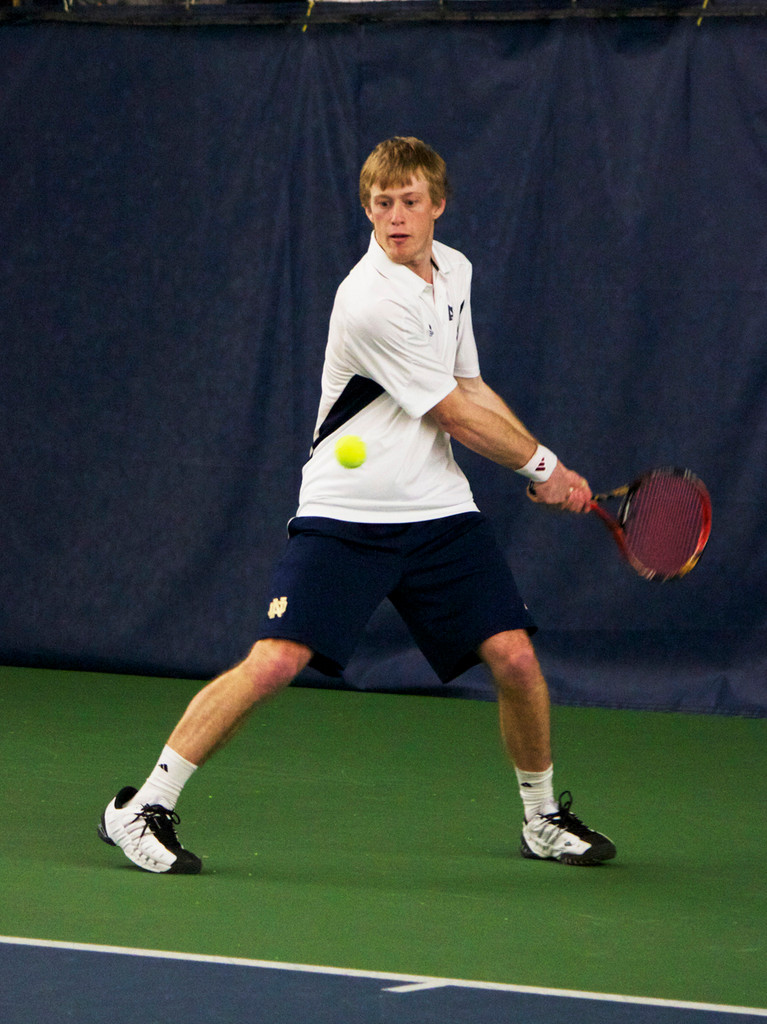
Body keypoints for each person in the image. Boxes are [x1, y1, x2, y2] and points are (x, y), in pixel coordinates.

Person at [98, 136, 615, 874]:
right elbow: (452, 414)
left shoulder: (456, 271)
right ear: (366, 209)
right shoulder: (369, 299)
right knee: (274, 662)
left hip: (438, 509)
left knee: (514, 657)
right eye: (381, 203)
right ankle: (141, 806)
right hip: (348, 512)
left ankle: (542, 818)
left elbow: (469, 384)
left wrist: (543, 461)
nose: (395, 217)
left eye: (409, 202)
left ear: (438, 205)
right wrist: (541, 466)